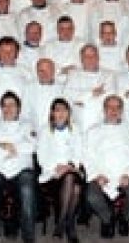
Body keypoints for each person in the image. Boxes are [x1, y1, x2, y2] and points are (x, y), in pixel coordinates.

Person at [83, 95, 129, 238]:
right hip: (101, 173)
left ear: (122, 110)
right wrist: (96, 174)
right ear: (104, 109)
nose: (113, 110)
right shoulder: (92, 131)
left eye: (117, 107)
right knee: (91, 196)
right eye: (110, 107)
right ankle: (107, 218)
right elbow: (87, 156)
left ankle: (124, 217)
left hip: (126, 173)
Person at [0, 91, 39, 243]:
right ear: (1, 108)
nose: (8, 108)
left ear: (19, 108)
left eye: (12, 105)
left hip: (22, 169)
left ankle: (28, 236)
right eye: (5, 105)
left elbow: (33, 146)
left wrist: (7, 146)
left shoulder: (28, 124)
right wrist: (16, 148)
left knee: (27, 191)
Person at [37, 98, 85, 242]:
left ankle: (62, 222)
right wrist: (55, 167)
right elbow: (41, 155)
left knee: (71, 179)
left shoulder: (75, 129)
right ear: (52, 113)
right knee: (75, 188)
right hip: (52, 174)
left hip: (71, 170)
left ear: (69, 113)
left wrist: (70, 165)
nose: (61, 113)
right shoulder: (44, 130)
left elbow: (79, 152)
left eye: (64, 110)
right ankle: (68, 224)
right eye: (57, 110)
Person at [64, 44, 118, 130]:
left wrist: (81, 99)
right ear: (81, 59)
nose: (90, 59)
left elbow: (109, 98)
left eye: (93, 55)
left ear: (98, 57)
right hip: (79, 121)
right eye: (86, 56)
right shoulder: (73, 74)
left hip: (100, 120)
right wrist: (91, 93)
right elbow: (67, 96)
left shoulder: (108, 75)